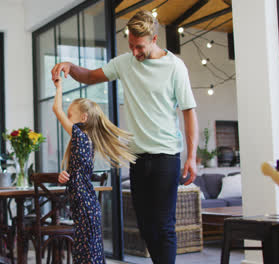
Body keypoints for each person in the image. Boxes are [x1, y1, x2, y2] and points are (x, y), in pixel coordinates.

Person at [51, 10, 199, 264]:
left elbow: (188, 112)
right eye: (130, 45)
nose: (135, 52)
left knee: (163, 225)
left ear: (154, 39)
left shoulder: (175, 67)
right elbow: (88, 76)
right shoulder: (125, 63)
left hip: (166, 157)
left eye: (139, 47)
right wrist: (69, 66)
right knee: (145, 224)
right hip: (137, 156)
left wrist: (192, 156)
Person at [52, 76, 135, 264]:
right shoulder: (85, 141)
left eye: (70, 115)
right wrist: (66, 175)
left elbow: (56, 109)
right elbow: (79, 173)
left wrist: (59, 87)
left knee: (86, 253)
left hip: (84, 204)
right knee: (87, 251)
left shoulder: (81, 136)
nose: (67, 118)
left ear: (83, 118)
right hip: (86, 204)